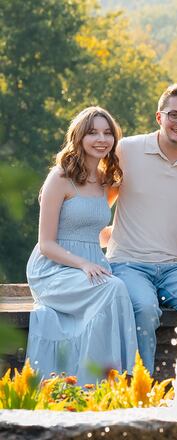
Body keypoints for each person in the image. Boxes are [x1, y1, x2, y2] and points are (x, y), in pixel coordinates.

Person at [106, 84, 177, 373]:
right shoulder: (126, 149)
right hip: (128, 262)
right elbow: (100, 197)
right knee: (144, 309)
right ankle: (140, 386)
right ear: (159, 117)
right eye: (174, 115)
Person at [26, 107, 137, 384]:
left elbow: (93, 230)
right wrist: (84, 263)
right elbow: (46, 243)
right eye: (93, 132)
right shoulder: (60, 178)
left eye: (107, 133)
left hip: (91, 266)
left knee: (116, 290)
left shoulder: (105, 181)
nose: (101, 139)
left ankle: (109, 381)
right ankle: (99, 382)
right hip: (53, 269)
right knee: (114, 288)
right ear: (79, 137)